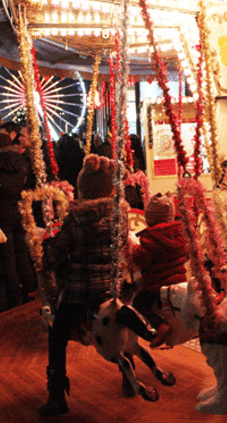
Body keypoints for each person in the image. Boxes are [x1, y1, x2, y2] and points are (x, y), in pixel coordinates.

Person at [39, 154, 132, 417]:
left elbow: (53, 259)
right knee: (120, 324)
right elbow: (120, 244)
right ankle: (128, 375)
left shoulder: (75, 220)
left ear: (84, 189)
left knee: (57, 338)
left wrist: (48, 249)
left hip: (79, 293)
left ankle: (57, 394)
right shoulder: (120, 217)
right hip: (109, 290)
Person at [131, 192, 188, 348]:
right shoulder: (180, 232)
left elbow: (143, 261)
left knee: (139, 302)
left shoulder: (151, 238)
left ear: (150, 218)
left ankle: (161, 326)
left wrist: (135, 249)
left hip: (158, 283)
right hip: (180, 278)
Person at [0, 133, 34, 309]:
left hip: (2, 215)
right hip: (21, 212)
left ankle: (13, 297)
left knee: (8, 259)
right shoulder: (22, 164)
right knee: (23, 255)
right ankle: (30, 290)